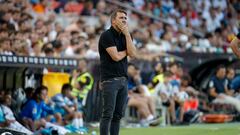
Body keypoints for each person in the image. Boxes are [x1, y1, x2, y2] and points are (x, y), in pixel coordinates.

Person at [98, 9, 137, 135]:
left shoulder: (127, 35)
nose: (124, 20)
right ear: (113, 20)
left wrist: (127, 35)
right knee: (107, 114)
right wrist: (127, 51)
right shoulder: (106, 35)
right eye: (121, 18)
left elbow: (133, 54)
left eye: (125, 18)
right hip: (110, 80)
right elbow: (115, 56)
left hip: (123, 80)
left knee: (118, 116)